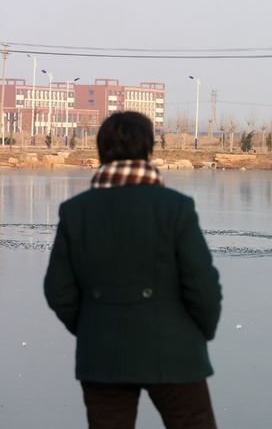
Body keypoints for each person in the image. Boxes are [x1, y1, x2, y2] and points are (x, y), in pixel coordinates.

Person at [44, 112, 222, 428]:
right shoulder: (175, 207)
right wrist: (199, 334)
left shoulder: (75, 212)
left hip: (102, 355)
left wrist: (92, 325)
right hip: (175, 351)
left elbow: (58, 290)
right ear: (149, 150)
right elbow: (203, 285)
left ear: (100, 151)